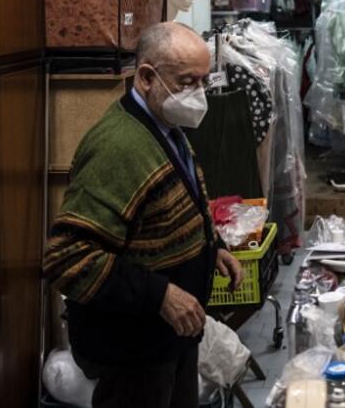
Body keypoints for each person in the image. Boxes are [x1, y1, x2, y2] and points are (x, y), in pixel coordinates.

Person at [44, 22, 244, 408]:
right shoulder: (118, 147)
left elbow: (168, 202)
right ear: (148, 77)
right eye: (187, 82)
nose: (199, 94)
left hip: (170, 339)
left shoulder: (164, 126)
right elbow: (66, 257)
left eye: (204, 81)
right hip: (132, 352)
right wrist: (160, 295)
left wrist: (211, 246)